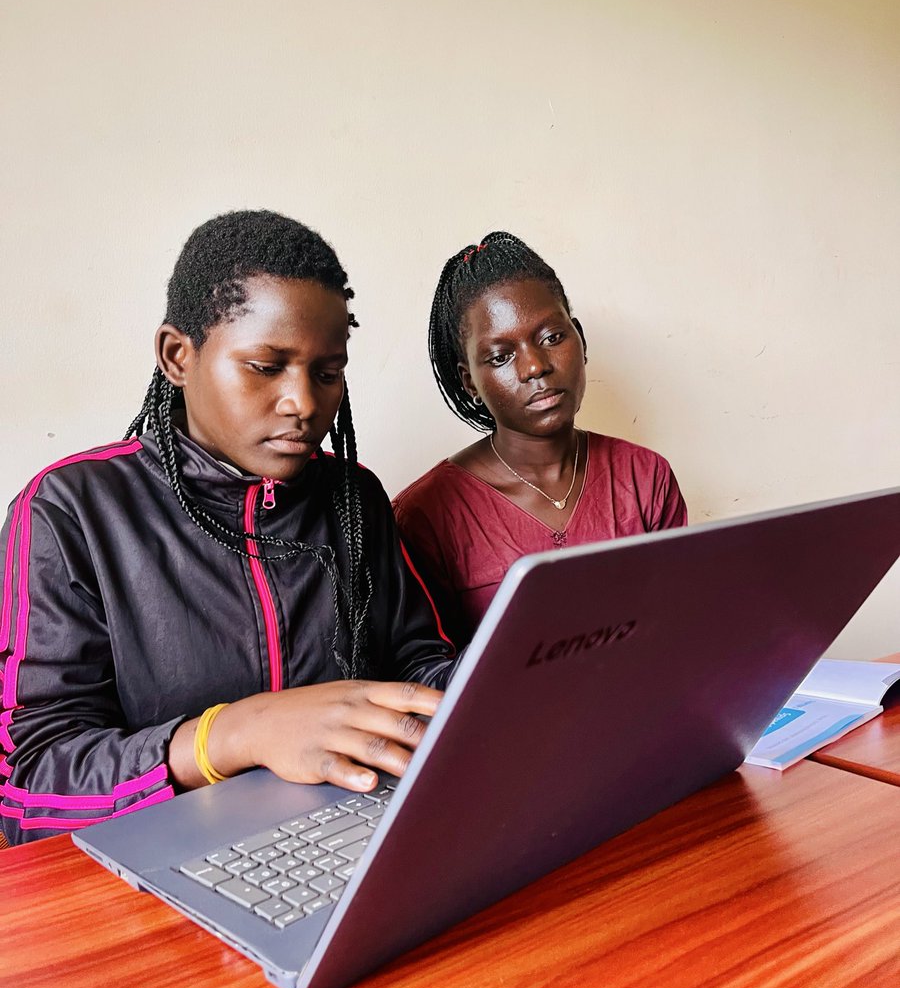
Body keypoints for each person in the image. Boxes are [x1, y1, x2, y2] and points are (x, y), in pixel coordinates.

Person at [0, 210, 458, 845]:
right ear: (177, 356)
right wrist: (234, 734)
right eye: (266, 366)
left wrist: (496, 687)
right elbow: (28, 788)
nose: (304, 403)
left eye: (328, 373)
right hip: (158, 863)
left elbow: (417, 661)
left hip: (350, 839)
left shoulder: (354, 498)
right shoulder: (71, 511)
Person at [393, 231, 687, 645]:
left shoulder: (644, 478)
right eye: (500, 356)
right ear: (470, 381)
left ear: (580, 339)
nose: (534, 367)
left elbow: (676, 629)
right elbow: (428, 667)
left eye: (551, 338)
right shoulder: (425, 515)